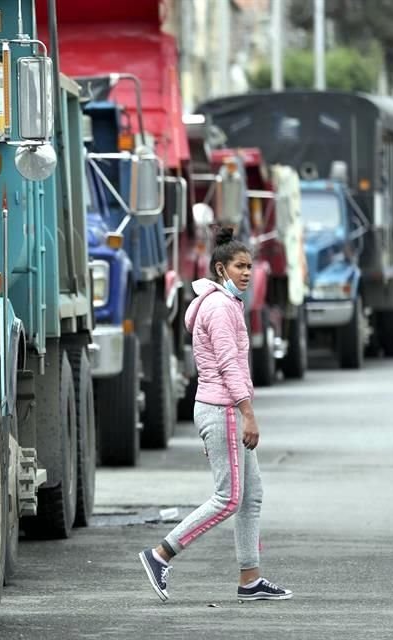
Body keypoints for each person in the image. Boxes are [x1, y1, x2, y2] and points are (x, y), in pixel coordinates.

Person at [138, 227, 293, 602]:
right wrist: (248, 413)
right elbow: (229, 364)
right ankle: (160, 554)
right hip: (222, 409)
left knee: (251, 495)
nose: (246, 273)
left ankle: (250, 579)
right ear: (221, 269)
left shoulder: (223, 303)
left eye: (249, 266)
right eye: (240, 266)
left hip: (222, 408)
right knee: (228, 497)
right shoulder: (221, 307)